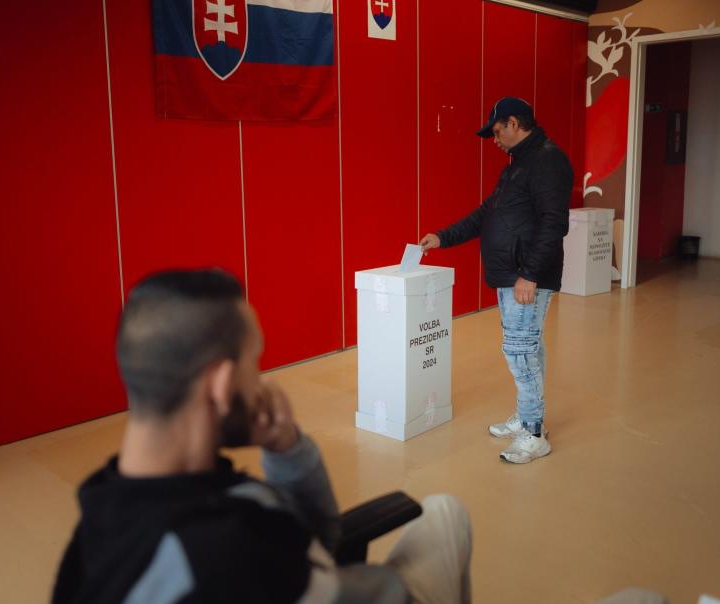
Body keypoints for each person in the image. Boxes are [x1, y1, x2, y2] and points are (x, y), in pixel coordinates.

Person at [52, 269, 472, 604]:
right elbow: (323, 552)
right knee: (444, 511)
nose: (263, 381)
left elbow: (302, 548)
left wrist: (285, 446)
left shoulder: (92, 526)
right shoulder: (234, 540)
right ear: (221, 384)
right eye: (257, 361)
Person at [419, 97, 572, 465]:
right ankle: (525, 415)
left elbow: (555, 223)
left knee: (519, 349)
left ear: (514, 123)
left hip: (526, 276)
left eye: (497, 131)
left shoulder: (548, 161)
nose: (494, 139)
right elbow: (486, 214)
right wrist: (444, 236)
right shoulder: (518, 166)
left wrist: (530, 274)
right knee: (527, 347)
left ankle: (534, 434)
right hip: (513, 274)